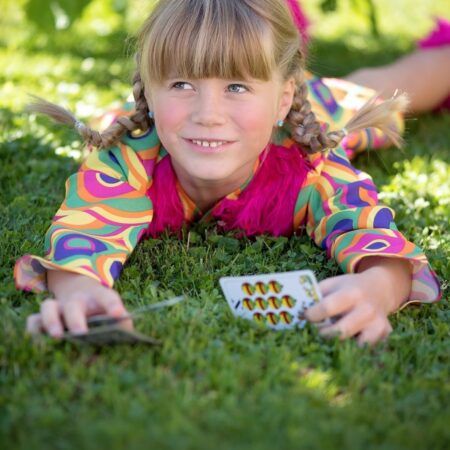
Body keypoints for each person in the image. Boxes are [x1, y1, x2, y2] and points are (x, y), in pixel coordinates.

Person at [15, 0, 441, 345]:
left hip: (314, 112)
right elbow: (86, 231)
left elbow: (369, 231)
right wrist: (79, 291)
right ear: (148, 87)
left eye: (236, 87)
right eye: (182, 84)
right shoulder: (128, 157)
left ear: (281, 99)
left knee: (378, 92)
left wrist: (378, 288)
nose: (208, 115)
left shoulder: (309, 163)